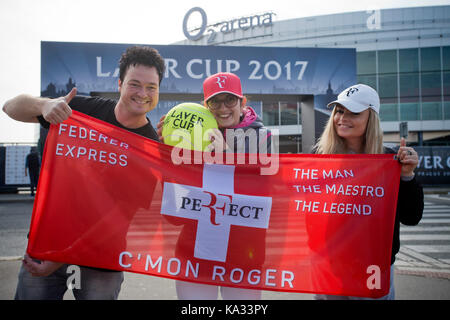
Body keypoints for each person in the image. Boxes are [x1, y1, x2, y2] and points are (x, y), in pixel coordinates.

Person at [3, 45, 165, 300]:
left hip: (101, 260)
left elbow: (114, 219)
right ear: (120, 83)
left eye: (151, 87)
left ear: (158, 91)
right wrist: (44, 105)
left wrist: (62, 257)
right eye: (134, 84)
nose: (143, 93)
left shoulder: (149, 147)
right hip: (46, 245)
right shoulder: (80, 111)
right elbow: (10, 107)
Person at [158, 72, 272, 299]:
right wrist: (166, 152)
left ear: (243, 102)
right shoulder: (190, 140)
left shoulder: (265, 138)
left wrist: (227, 156)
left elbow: (266, 202)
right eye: (214, 102)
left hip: (245, 258)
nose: (223, 108)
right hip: (195, 255)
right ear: (204, 106)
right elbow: (175, 213)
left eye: (230, 100)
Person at [312, 83, 424, 300]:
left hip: (374, 265)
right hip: (328, 264)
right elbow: (310, 213)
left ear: (371, 118)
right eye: (339, 111)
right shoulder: (319, 156)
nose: (342, 118)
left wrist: (407, 176)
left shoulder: (392, 159)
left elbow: (411, 217)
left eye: (353, 113)